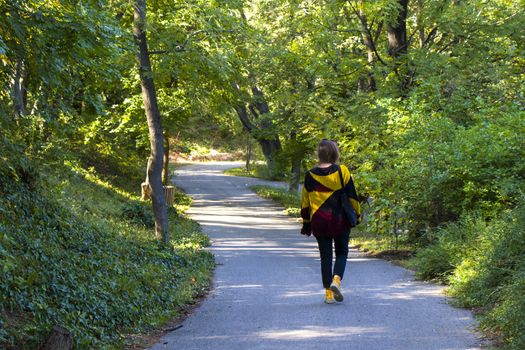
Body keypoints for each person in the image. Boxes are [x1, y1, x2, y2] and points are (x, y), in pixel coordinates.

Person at [301, 139, 361, 304]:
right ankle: (336, 281)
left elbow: (305, 201)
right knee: (342, 252)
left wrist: (306, 221)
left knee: (325, 257)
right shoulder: (342, 171)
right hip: (340, 219)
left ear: (319, 154)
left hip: (319, 221)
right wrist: (357, 214)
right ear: (335, 153)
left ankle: (328, 295)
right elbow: (352, 196)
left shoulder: (309, 174)